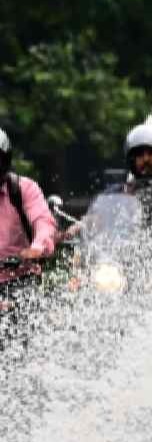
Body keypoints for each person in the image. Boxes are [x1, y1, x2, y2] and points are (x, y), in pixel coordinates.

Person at [0, 126, 58, 316]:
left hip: (20, 282)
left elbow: (43, 223)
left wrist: (36, 247)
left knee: (32, 315)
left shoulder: (22, 189)